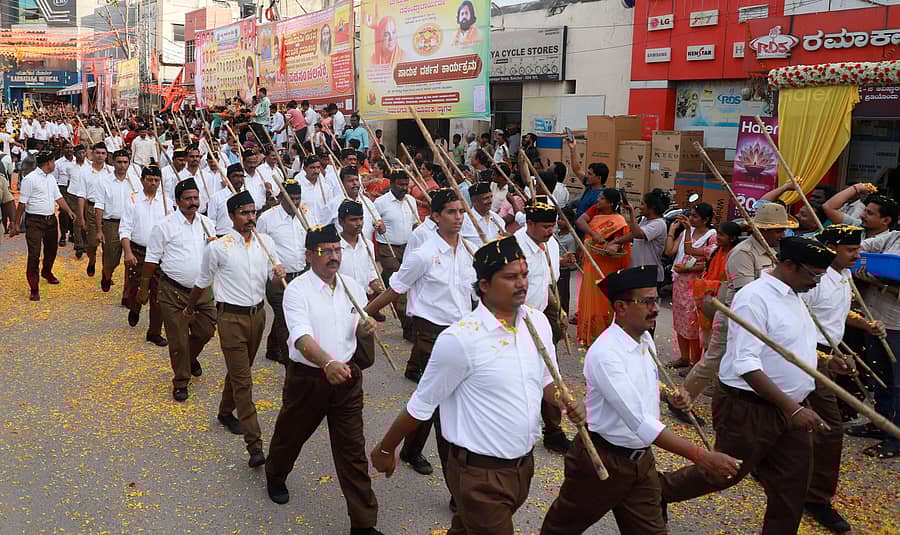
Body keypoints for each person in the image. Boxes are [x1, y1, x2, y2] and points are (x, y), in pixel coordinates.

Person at [371, 235, 585, 533]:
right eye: (510, 277)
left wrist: (564, 398)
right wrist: (385, 448)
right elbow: (422, 404)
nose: (521, 283)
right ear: (484, 285)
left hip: (522, 466)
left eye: (524, 275)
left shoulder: (537, 323)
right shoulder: (461, 339)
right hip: (479, 474)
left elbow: (547, 378)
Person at [540, 266, 740, 535]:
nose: (655, 308)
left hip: (641, 461)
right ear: (621, 307)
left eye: (655, 300)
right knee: (561, 529)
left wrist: (669, 395)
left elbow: (642, 385)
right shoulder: (606, 354)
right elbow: (640, 422)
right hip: (602, 460)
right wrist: (701, 456)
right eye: (646, 301)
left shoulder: (644, 338)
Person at [661, 237, 837, 533]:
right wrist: (793, 409)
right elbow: (746, 365)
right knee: (723, 473)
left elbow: (790, 348)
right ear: (789, 265)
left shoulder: (796, 294)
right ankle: (657, 491)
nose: (817, 282)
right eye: (814, 274)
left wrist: (828, 362)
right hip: (749, 407)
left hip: (791, 408)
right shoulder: (754, 299)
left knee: (792, 485)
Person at [265, 224, 384, 535]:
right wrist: (326, 362)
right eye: (325, 251)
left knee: (352, 451)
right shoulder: (297, 290)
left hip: (346, 379)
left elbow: (355, 325)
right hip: (309, 378)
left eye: (337, 250)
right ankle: (275, 474)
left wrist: (364, 329)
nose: (334, 257)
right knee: (291, 434)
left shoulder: (352, 287)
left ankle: (363, 523)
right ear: (309, 256)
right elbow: (301, 337)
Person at [366, 189, 476, 478]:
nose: (458, 217)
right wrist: (363, 315)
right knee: (437, 401)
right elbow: (395, 289)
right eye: (451, 212)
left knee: (435, 397)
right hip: (431, 335)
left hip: (462, 334)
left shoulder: (469, 251)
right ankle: (454, 477)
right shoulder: (424, 254)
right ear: (436, 217)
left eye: (461, 212)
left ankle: (412, 450)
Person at [190, 189, 285, 467]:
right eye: (244, 213)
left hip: (258, 317)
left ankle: (224, 411)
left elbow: (272, 278)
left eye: (253, 212)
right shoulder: (218, 247)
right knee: (244, 380)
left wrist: (278, 276)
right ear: (232, 216)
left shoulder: (266, 243)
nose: (250, 217)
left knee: (240, 370)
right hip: (230, 318)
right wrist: (190, 308)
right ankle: (255, 445)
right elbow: (202, 281)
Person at [669, 203, 796, 408]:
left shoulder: (772, 252)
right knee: (712, 361)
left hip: (758, 318)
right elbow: (748, 293)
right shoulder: (743, 253)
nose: (782, 235)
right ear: (763, 230)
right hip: (733, 316)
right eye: (778, 230)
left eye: (783, 230)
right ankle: (681, 401)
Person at [800, 224, 878, 531]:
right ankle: (817, 498)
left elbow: (837, 313)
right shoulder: (814, 280)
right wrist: (822, 359)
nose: (857, 256)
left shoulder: (844, 275)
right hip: (808, 355)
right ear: (831, 249)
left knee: (804, 419)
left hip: (831, 354)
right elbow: (796, 322)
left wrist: (865, 324)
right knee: (830, 428)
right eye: (851, 250)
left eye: (858, 250)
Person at [140, 178, 217, 401]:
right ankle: (181, 380)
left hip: (202, 290)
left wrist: (216, 247)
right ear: (177, 201)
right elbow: (151, 259)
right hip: (173, 291)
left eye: (196, 198)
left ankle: (189, 358)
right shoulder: (164, 226)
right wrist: (143, 289)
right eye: (188, 199)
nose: (193, 202)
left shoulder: (207, 224)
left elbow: (215, 256)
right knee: (178, 340)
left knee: (206, 331)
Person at [514, 194, 577, 453]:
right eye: (545, 227)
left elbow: (546, 282)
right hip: (515, 322)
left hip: (539, 319)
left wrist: (557, 308)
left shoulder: (550, 245)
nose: (551, 232)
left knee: (550, 372)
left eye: (553, 226)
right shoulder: (513, 247)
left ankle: (553, 431)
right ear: (529, 223)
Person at [848, 196, 900, 459]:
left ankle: (896, 436)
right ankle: (880, 422)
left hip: (897, 324)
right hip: (875, 319)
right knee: (879, 375)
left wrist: (879, 282)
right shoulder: (893, 238)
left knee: (897, 381)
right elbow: (861, 246)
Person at [256, 179, 307, 363]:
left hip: (300, 275)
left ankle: (272, 347)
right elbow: (259, 247)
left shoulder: (305, 214)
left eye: (298, 198)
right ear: (280, 197)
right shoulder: (267, 219)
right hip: (277, 279)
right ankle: (289, 358)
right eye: (291, 198)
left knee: (286, 315)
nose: (295, 203)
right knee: (284, 316)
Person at [14, 151, 76, 300]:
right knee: (34, 254)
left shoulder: (51, 178)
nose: (54, 164)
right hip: (34, 221)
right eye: (53, 161)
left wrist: (68, 210)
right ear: (48, 163)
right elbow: (22, 204)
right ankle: (34, 287)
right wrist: (16, 224)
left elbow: (58, 197)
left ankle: (46, 271)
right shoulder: (30, 179)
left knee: (51, 250)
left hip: (51, 220)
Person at [119, 165, 168, 345]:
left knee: (158, 293)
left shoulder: (166, 202)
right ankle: (135, 306)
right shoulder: (133, 200)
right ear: (142, 180)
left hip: (160, 253)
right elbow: (124, 228)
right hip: (138, 251)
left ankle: (154, 332)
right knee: (136, 287)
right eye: (149, 179)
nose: (153, 183)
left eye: (156, 180)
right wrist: (128, 252)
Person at [664, 203, 717, 367]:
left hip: (696, 285)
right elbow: (669, 252)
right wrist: (672, 230)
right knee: (680, 320)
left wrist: (689, 269)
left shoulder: (711, 236)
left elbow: (708, 262)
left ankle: (695, 362)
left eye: (695, 216)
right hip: (680, 282)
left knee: (693, 323)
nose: (691, 218)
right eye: (691, 215)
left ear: (705, 220)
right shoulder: (687, 232)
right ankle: (684, 357)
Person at [575, 188, 630, 343]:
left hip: (607, 264)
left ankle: (604, 334)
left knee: (603, 298)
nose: (598, 200)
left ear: (610, 203)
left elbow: (618, 245)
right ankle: (589, 331)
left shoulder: (619, 221)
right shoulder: (595, 209)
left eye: (602, 198)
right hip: (591, 260)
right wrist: (594, 234)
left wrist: (610, 246)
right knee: (590, 295)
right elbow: (580, 221)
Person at [373, 170, 418, 340]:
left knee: (408, 284)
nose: (404, 188)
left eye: (406, 185)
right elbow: (372, 222)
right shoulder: (380, 203)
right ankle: (408, 326)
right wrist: (378, 225)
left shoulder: (411, 201)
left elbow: (415, 225)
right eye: (400, 185)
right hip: (388, 248)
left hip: (408, 248)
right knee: (401, 285)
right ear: (391, 184)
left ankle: (410, 322)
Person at [95, 149, 138, 293]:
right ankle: (106, 275)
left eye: (125, 162)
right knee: (111, 260)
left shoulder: (135, 181)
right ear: (113, 162)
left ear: (129, 163)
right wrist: (99, 230)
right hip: (111, 225)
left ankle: (127, 293)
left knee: (131, 260)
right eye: (119, 162)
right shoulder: (104, 181)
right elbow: (99, 205)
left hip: (131, 225)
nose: (122, 165)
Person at [71, 143, 113, 277]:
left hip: (108, 211)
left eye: (103, 153)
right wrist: (81, 217)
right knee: (92, 243)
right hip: (91, 209)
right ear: (92, 154)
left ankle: (106, 272)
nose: (100, 156)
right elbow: (81, 195)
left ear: (106, 155)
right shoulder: (84, 172)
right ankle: (92, 259)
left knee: (109, 245)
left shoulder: (111, 172)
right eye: (97, 153)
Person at [338, 199, 379, 292]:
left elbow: (371, 273)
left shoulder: (368, 245)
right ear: (341, 222)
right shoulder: (334, 248)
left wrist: (382, 291)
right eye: (353, 220)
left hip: (363, 297)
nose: (359, 223)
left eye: (361, 219)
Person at [208, 164, 245, 237]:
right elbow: (211, 222)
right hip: (222, 237)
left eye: (241, 176)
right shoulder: (216, 197)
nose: (239, 180)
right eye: (235, 176)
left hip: (241, 237)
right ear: (227, 178)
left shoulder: (246, 197)